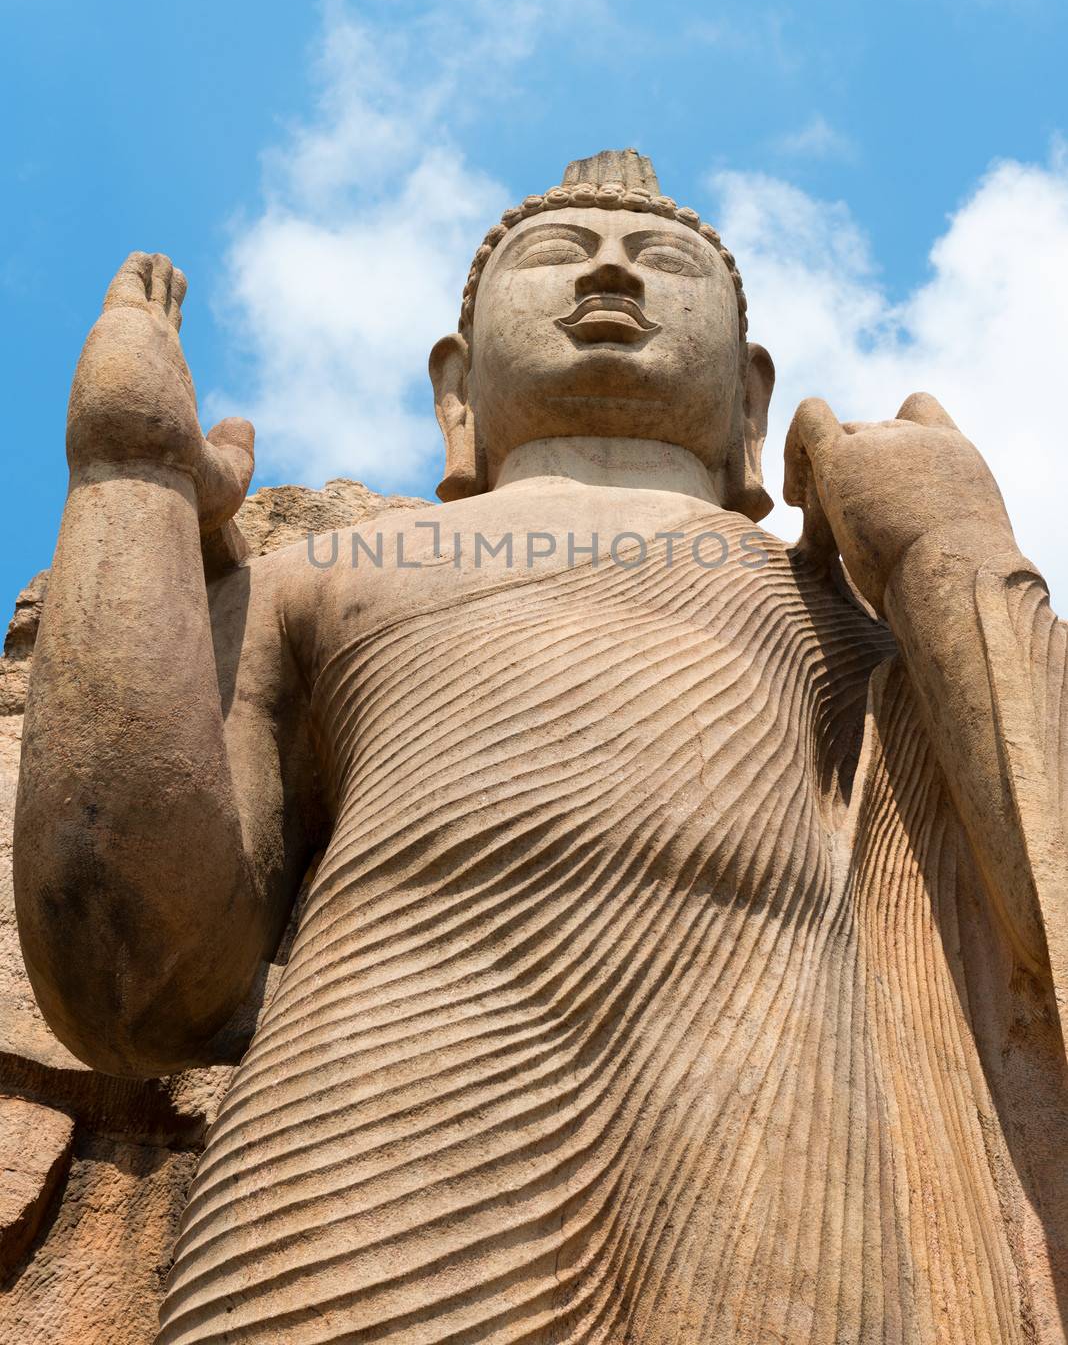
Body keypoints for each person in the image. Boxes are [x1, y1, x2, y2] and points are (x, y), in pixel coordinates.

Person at [15, 151, 1068, 1342]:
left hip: (777, 1109)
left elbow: (1038, 907)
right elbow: (141, 973)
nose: (613, 265)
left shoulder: (838, 607)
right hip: (385, 1093)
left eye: (665, 260)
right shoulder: (327, 576)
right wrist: (131, 483)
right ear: (456, 387)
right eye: (557, 254)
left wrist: (951, 555)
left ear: (752, 399)